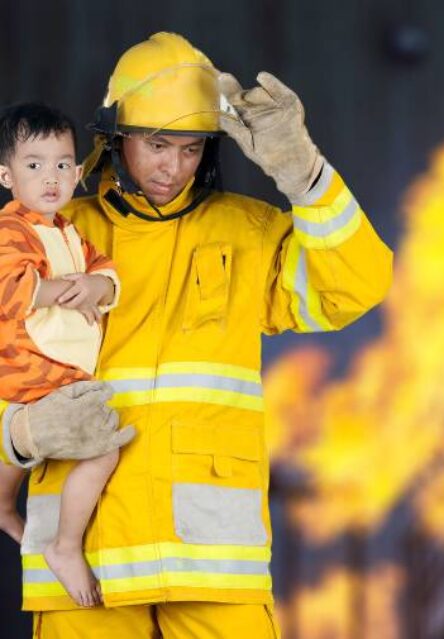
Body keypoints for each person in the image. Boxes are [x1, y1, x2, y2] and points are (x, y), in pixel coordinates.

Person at [0, 32, 392, 638]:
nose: (172, 166)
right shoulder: (55, 234)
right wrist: (19, 434)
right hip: (83, 559)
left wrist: (305, 175)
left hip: (211, 557)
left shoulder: (251, 230)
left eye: (189, 149)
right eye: (157, 145)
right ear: (116, 138)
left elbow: (358, 285)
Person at [0, 103, 128, 608]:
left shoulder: (70, 231)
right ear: (6, 174)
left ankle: (4, 506)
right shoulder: (12, 229)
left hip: (55, 371)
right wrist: (59, 291)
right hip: (36, 366)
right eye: (34, 165)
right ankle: (65, 546)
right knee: (103, 449)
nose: (49, 177)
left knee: (24, 441)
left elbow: (107, 271)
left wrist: (96, 284)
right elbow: (9, 289)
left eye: (61, 165)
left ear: (77, 173)